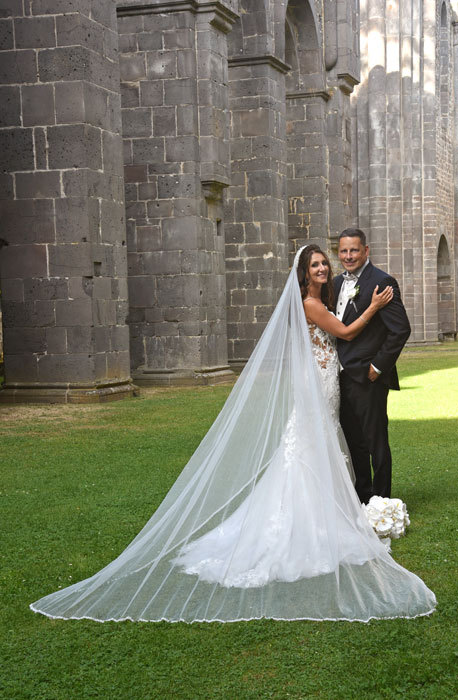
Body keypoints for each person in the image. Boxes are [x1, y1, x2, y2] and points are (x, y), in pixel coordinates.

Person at [30, 245, 435, 623]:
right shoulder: (309, 303)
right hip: (318, 377)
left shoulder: (320, 300)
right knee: (309, 444)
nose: (323, 268)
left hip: (327, 377)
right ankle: (309, 521)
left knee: (322, 441)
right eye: (315, 265)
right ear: (303, 272)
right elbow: (344, 333)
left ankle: (332, 512)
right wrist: (374, 307)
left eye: (323, 263)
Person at [334, 229, 411, 503]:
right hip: (339, 377)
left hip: (369, 377)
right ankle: (362, 496)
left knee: (375, 441)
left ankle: (381, 501)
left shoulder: (382, 282)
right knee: (353, 441)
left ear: (366, 251)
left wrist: (377, 367)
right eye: (344, 251)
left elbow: (400, 330)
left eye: (354, 250)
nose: (348, 256)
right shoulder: (334, 283)